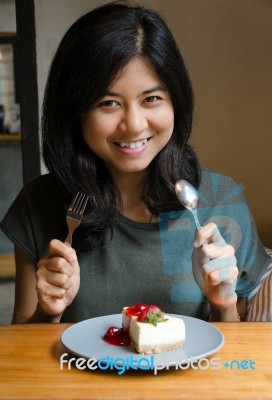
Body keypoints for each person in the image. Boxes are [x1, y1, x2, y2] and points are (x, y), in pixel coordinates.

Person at [0, 1, 270, 324]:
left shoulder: (219, 200)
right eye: (109, 103)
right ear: (76, 112)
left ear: (176, 102)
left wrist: (222, 306)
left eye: (151, 99)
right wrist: (48, 311)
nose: (134, 125)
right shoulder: (39, 204)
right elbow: (22, 361)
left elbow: (242, 361)